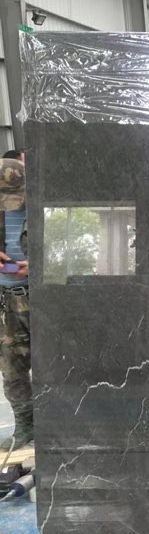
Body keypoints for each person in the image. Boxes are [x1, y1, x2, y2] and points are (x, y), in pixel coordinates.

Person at [0, 149, 31, 453]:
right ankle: (26, 426)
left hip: (41, 296)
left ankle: (60, 426)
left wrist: (36, 265)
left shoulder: (42, 208)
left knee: (54, 365)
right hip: (6, 301)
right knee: (11, 371)